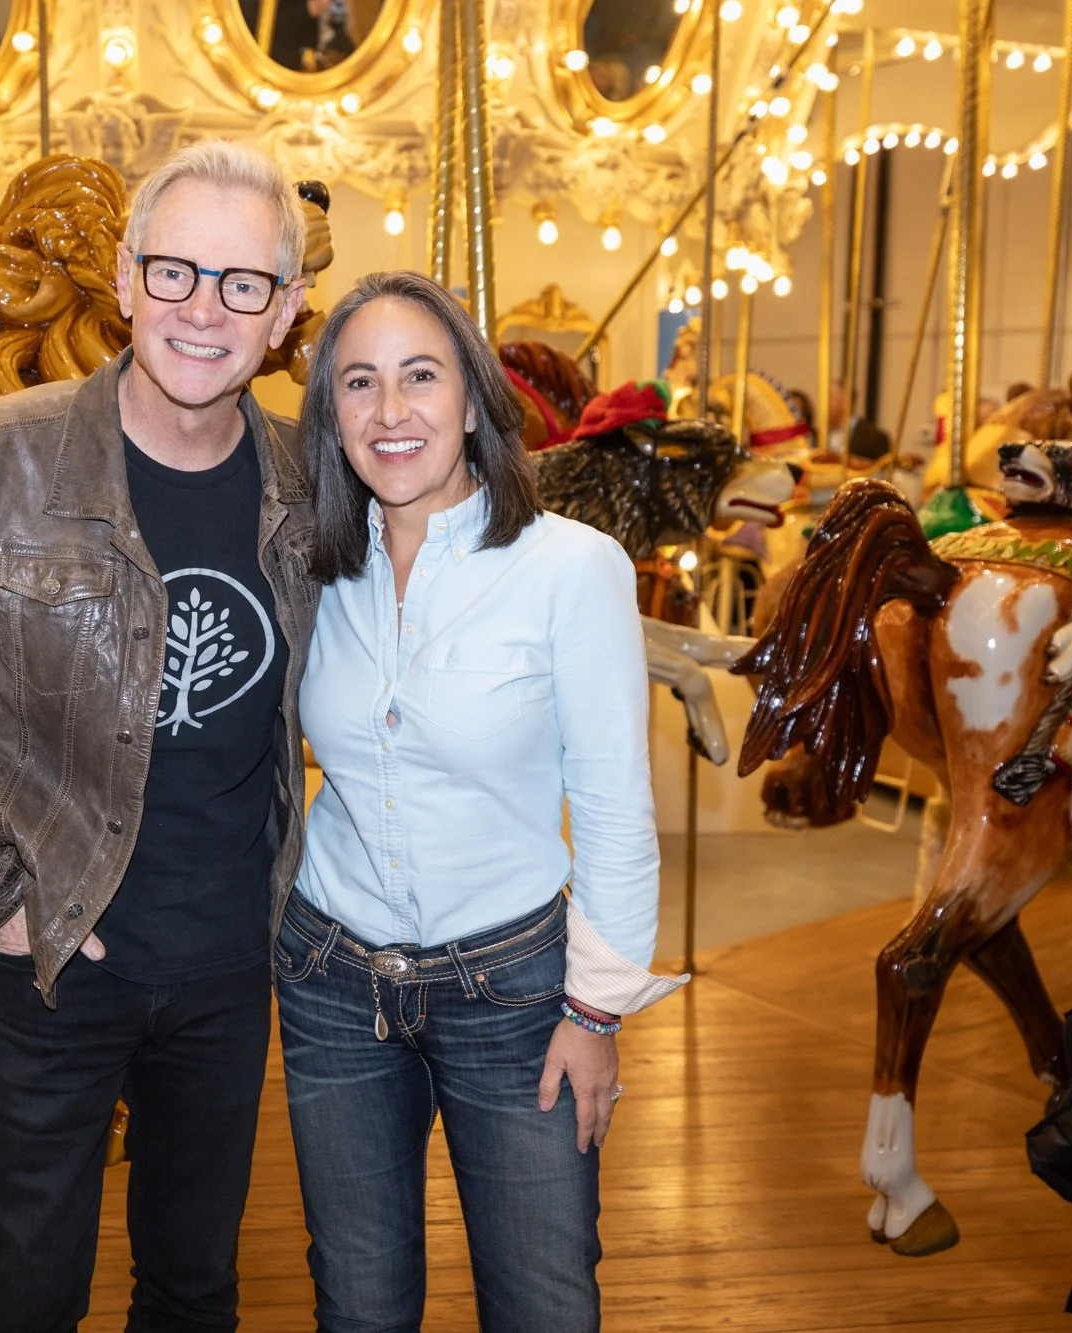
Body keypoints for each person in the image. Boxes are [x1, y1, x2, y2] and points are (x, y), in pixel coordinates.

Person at [0, 141, 317, 1333]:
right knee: (28, 1285)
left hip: (224, 962)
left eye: (240, 283)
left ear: (285, 311)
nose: (201, 310)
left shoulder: (307, 486)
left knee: (196, 1282)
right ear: (123, 273)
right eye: (174, 271)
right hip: (45, 948)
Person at [281, 270, 686, 1332]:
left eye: (421, 376)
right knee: (356, 1301)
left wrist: (594, 1009)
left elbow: (611, 806)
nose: (389, 411)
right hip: (332, 980)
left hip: (514, 992)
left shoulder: (569, 568)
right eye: (358, 384)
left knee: (542, 1300)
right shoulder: (316, 569)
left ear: (472, 398)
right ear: (330, 415)